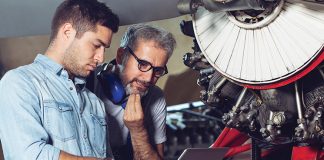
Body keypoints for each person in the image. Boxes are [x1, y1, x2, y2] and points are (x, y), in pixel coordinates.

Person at [0, 0, 119, 159]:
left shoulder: (95, 103)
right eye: (96, 45)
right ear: (68, 32)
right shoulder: (19, 83)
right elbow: (27, 155)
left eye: (105, 49)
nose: (101, 58)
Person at [95, 24, 176, 160]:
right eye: (143, 64)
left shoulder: (156, 97)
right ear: (121, 56)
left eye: (157, 71)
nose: (148, 78)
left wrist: (138, 130)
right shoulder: (86, 83)